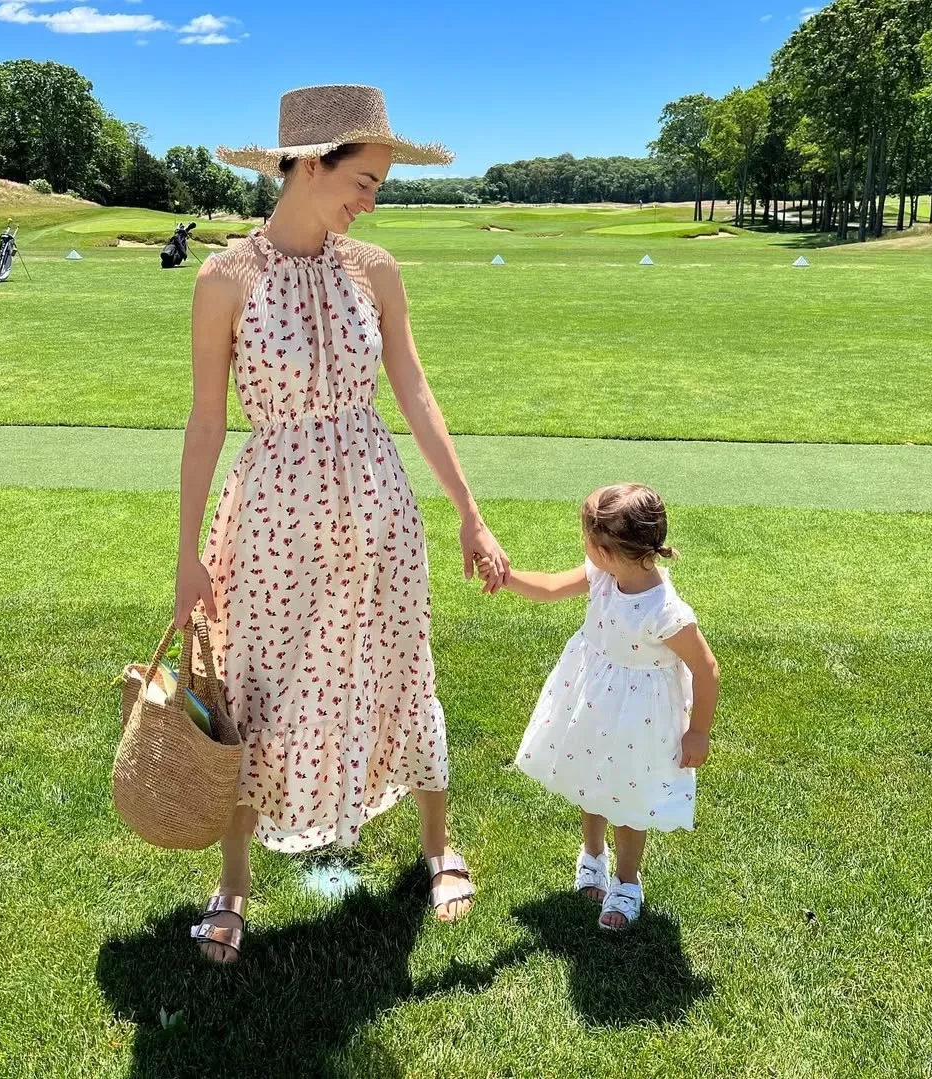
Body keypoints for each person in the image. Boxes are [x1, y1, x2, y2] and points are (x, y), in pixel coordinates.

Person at [174, 84, 510, 962]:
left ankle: (438, 845)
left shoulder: (376, 270)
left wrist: (469, 512)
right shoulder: (224, 279)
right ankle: (233, 883)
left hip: (376, 506)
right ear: (309, 166)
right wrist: (186, 554)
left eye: (380, 186)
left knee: (400, 661)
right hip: (272, 518)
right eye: (364, 181)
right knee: (252, 687)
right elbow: (206, 420)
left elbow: (415, 391)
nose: (372, 201)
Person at [479, 483, 719, 930]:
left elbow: (706, 669)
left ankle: (627, 881)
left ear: (608, 550)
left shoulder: (666, 612)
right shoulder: (603, 574)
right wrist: (506, 577)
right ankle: (592, 854)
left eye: (586, 537)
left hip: (639, 718)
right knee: (589, 774)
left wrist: (699, 731)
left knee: (627, 795)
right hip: (593, 698)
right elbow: (552, 587)